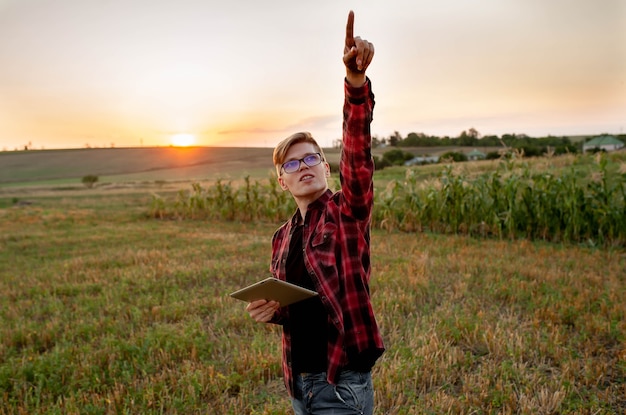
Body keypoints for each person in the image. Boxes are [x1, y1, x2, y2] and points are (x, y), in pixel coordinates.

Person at [246, 10, 385, 415]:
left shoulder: (347, 213)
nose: (302, 166)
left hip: (340, 382)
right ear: (282, 181)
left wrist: (355, 85)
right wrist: (270, 312)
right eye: (290, 164)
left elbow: (358, 153)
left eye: (311, 159)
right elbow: (302, 305)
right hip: (297, 383)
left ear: (326, 168)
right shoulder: (281, 237)